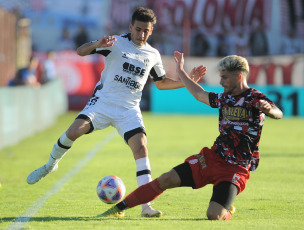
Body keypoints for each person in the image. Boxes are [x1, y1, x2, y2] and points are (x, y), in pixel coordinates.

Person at [26, 7, 206, 218]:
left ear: (152, 30)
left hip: (128, 110)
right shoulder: (115, 43)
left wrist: (187, 81)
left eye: (146, 31)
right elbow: (80, 51)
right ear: (130, 26)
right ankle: (50, 165)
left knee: (141, 148)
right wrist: (96, 45)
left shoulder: (153, 54)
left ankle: (146, 206)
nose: (141, 35)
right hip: (103, 103)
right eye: (138, 29)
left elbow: (161, 83)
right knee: (74, 132)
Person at [97, 53, 283, 220]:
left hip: (235, 169)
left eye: (224, 77)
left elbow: (278, 112)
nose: (221, 82)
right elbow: (199, 93)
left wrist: (269, 110)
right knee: (166, 179)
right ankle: (118, 208)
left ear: (239, 76)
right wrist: (181, 72)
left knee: (214, 215)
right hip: (212, 158)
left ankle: (226, 210)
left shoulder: (255, 98)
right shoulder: (224, 98)